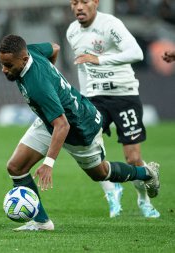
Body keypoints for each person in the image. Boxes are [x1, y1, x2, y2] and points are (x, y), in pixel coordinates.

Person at [0, 34, 160, 231]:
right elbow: (55, 47)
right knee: (16, 167)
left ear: (23, 59)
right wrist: (53, 80)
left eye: (8, 65)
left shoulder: (37, 85)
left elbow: (63, 125)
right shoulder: (30, 51)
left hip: (79, 127)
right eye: (1, 63)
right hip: (52, 120)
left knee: (100, 173)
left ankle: (146, 172)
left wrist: (48, 163)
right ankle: (42, 222)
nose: (4, 69)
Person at [66, 0, 160, 218]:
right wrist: (84, 97)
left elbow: (136, 53)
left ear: (96, 3)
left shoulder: (110, 24)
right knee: (89, 148)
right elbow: (83, 66)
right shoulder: (72, 32)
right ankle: (112, 191)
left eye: (84, 1)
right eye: (74, 2)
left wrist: (99, 59)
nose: (79, 7)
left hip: (124, 95)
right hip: (95, 97)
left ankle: (143, 201)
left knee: (132, 158)